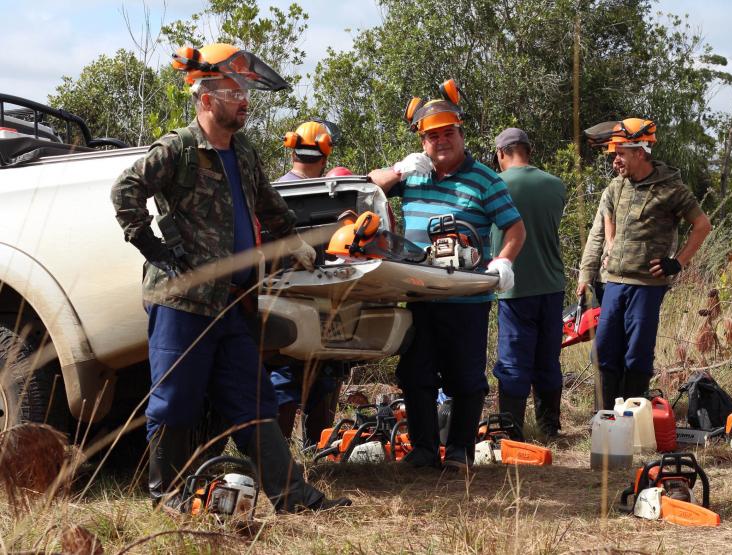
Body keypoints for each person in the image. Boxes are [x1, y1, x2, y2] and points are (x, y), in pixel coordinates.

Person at [110, 43, 350, 512]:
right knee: (175, 401)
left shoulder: (243, 152)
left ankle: (292, 496)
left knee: (254, 400)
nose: (243, 100)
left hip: (234, 302)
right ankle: (167, 497)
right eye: (233, 91)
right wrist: (154, 249)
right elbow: (125, 192)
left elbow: (270, 207)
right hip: (182, 302)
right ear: (206, 98)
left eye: (245, 92)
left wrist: (300, 243)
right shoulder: (177, 148)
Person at [367, 81, 526, 473]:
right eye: (432, 136)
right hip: (419, 295)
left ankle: (459, 451)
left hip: (466, 297)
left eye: (447, 134)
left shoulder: (486, 180)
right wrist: (398, 169)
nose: (441, 142)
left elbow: (515, 229)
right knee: (415, 372)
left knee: (465, 376)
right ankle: (423, 449)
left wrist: (503, 262)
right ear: (423, 141)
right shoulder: (414, 175)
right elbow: (367, 186)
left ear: (461, 134)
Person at [577, 118, 711, 408]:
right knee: (604, 351)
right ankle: (604, 417)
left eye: (620, 153)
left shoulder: (671, 189)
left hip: (647, 286)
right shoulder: (616, 186)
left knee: (636, 354)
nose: (615, 161)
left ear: (640, 152)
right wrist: (609, 245)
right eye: (614, 154)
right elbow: (606, 215)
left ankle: (632, 418)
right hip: (613, 282)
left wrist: (678, 262)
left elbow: (702, 225)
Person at [270, 120, 351, 443]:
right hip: (325, 297)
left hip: (280, 297)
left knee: (283, 373)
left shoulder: (272, 192)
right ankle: (320, 452)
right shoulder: (335, 197)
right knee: (324, 373)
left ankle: (276, 459)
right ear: (325, 156)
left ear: (292, 151)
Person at [490, 127, 566, 438]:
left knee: (513, 361)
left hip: (514, 287)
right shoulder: (555, 185)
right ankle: (550, 428)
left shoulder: (496, 184)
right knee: (547, 359)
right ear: (528, 151)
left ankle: (511, 432)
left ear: (501, 154)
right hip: (552, 284)